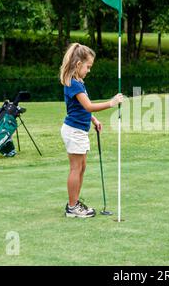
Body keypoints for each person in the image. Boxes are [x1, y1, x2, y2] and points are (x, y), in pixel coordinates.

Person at [59, 43, 123, 217]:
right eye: (88, 66)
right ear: (78, 64)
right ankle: (72, 208)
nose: (89, 70)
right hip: (74, 131)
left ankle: (75, 202)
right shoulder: (74, 84)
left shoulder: (79, 82)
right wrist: (111, 103)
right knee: (75, 168)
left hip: (79, 129)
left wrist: (93, 119)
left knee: (82, 167)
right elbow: (88, 106)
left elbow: (79, 108)